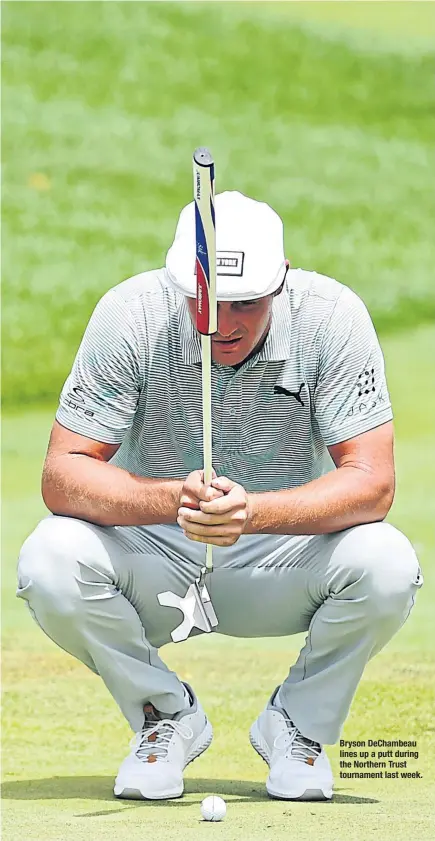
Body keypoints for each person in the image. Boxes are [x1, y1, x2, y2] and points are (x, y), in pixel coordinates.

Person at [16, 191, 422, 803]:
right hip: (155, 558)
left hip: (278, 562)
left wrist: (254, 512)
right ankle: (165, 717)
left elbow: (372, 481)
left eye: (246, 304)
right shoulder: (132, 314)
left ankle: (298, 726)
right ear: (183, 282)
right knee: (49, 557)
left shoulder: (332, 316)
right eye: (207, 301)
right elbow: (64, 473)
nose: (221, 324)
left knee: (388, 564)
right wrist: (172, 499)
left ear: (280, 284)